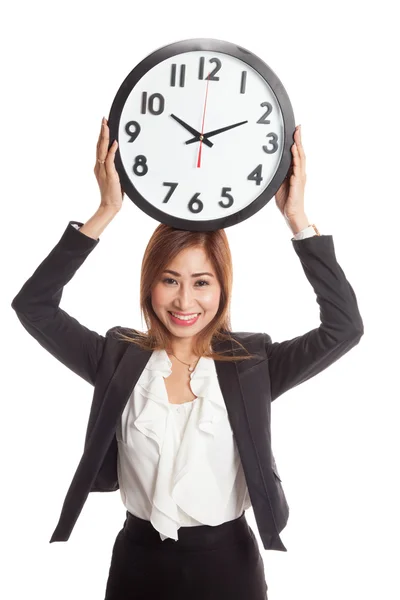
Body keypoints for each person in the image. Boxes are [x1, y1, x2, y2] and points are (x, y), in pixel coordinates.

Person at [11, 117, 364, 600]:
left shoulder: (252, 363)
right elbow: (34, 305)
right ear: (149, 284)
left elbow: (344, 328)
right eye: (170, 279)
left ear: (222, 288)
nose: (184, 301)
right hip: (138, 563)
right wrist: (105, 210)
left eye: (202, 282)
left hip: (229, 566)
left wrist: (298, 220)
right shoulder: (117, 357)